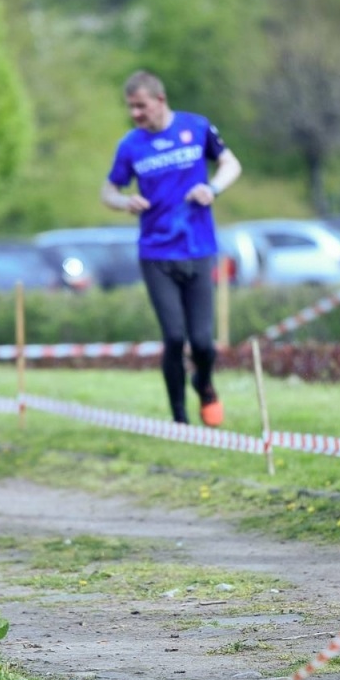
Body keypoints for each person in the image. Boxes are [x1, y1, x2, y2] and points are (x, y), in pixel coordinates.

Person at [102, 70, 242, 426]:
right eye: (130, 107)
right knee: (175, 337)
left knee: (202, 342)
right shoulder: (130, 145)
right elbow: (108, 191)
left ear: (160, 100)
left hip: (198, 248)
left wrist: (213, 189)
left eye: (140, 106)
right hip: (156, 253)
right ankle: (180, 419)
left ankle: (205, 385)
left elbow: (230, 163)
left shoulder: (196, 128)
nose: (135, 113)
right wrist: (124, 202)